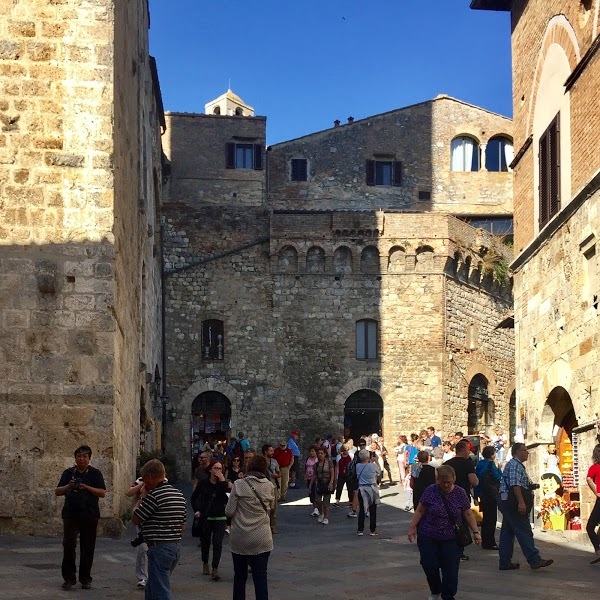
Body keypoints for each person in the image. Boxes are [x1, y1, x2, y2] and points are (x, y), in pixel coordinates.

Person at [407, 465, 481, 600]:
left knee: (451, 568)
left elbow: (468, 513)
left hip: (451, 537)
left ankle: (448, 595)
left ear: (454, 479)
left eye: (449, 482)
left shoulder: (460, 493)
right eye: (443, 482)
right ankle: (435, 590)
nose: (446, 485)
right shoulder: (430, 491)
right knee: (429, 564)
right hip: (428, 535)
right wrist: (412, 527)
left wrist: (476, 532)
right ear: (437, 480)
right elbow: (420, 510)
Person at [132, 459, 186, 599]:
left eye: (144, 480)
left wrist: (142, 497)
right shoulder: (179, 495)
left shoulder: (153, 496)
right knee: (152, 588)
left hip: (159, 548)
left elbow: (136, 518)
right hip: (174, 547)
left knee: (161, 591)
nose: (144, 484)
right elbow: (183, 525)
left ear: (150, 476)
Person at [55, 445, 106, 591]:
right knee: (69, 544)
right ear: (75, 458)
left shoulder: (95, 474)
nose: (81, 459)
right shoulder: (68, 473)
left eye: (84, 456)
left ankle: (85, 579)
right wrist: (68, 487)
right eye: (79, 456)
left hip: (89, 514)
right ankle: (69, 578)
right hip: (70, 513)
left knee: (88, 546)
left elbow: (102, 492)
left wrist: (86, 487)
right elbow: (57, 491)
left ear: (89, 458)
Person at [226, 455, 275, 600]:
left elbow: (229, 511)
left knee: (240, 577)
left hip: (240, 537)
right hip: (262, 537)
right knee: (260, 577)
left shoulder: (239, 484)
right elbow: (271, 508)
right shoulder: (269, 486)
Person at [498, 442, 553, 571]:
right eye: (525, 450)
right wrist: (521, 502)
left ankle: (505, 561)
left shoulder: (516, 465)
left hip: (508, 502)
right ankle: (534, 560)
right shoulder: (514, 466)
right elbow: (515, 485)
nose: (527, 452)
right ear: (517, 452)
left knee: (507, 532)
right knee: (524, 530)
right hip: (513, 503)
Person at [191, 460, 230, 581]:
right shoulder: (204, 483)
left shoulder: (223, 484)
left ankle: (215, 568)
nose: (218, 470)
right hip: (206, 516)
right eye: (216, 468)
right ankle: (205, 562)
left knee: (218, 543)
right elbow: (194, 497)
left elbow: (228, 497)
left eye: (220, 468)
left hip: (220, 516)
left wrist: (223, 481)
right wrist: (197, 510)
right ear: (210, 470)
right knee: (205, 542)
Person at [445, 440, 478, 561]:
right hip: (462, 496)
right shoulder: (467, 464)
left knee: (449, 522)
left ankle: (448, 549)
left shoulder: (447, 463)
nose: (469, 452)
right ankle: (459, 552)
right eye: (468, 450)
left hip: (447, 496)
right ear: (463, 450)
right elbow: (474, 481)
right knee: (461, 524)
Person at [474, 445, 502, 550]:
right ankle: (490, 542)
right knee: (491, 518)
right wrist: (499, 469)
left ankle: (485, 541)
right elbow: (498, 477)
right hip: (491, 494)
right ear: (492, 455)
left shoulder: (480, 464)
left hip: (482, 493)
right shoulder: (490, 465)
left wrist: (476, 494)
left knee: (485, 518)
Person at [126, 476, 149, 588]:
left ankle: (151, 575)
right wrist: (142, 485)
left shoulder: (162, 480)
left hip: (154, 514)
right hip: (140, 512)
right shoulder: (140, 480)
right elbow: (129, 493)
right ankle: (143, 577)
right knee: (143, 547)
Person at [356, 449, 380, 536]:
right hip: (371, 488)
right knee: (373, 509)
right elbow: (379, 472)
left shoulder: (357, 466)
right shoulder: (372, 466)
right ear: (367, 457)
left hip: (361, 488)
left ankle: (360, 530)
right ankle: (373, 530)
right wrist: (376, 461)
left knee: (362, 509)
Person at [310, 447, 335, 525]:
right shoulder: (316, 465)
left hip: (327, 483)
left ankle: (326, 518)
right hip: (319, 484)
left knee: (326, 502)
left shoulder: (329, 463)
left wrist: (331, 483)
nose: (320, 455)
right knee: (317, 501)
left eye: (321, 453)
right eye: (319, 453)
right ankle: (321, 513)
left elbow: (332, 473)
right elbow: (314, 475)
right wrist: (310, 485)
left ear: (325, 454)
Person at [585, 443, 600, 564]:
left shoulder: (595, 467)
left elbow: (589, 478)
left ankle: (598, 550)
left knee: (590, 526)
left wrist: (596, 492)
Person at [262, 444, 281, 534]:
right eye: (270, 450)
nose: (272, 452)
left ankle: (272, 527)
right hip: (263, 487)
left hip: (273, 487)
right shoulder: (260, 461)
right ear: (266, 451)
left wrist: (276, 475)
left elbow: (279, 473)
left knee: (273, 509)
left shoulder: (274, 461)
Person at [304, 445, 319, 516]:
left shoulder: (318, 459)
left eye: (313, 451)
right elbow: (306, 468)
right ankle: (315, 508)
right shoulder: (308, 459)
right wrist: (305, 476)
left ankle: (317, 509)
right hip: (309, 478)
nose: (311, 453)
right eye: (310, 451)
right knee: (311, 494)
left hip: (316, 479)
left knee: (316, 493)